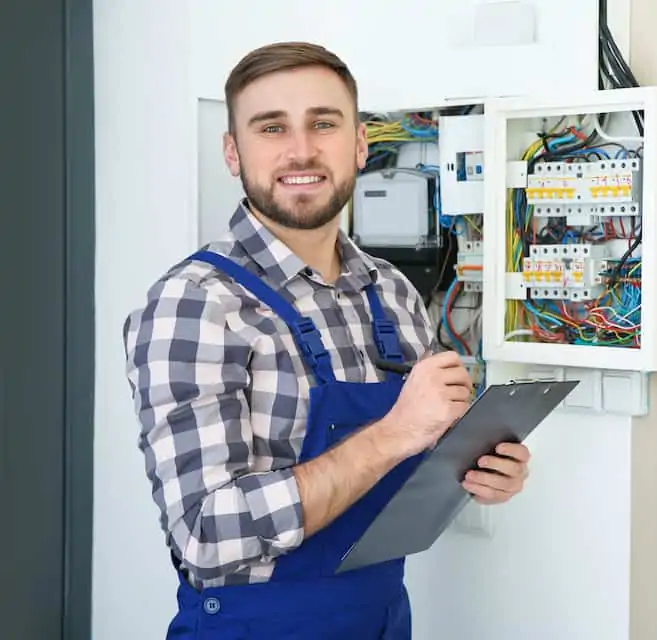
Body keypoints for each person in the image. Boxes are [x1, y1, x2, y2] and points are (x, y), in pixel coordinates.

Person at [123, 41, 532, 640]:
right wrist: (393, 432)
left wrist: (477, 469)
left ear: (360, 144)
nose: (302, 150)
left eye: (323, 123)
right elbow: (207, 538)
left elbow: (412, 467)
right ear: (233, 153)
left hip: (383, 618)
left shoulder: (389, 291)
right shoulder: (196, 304)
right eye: (271, 128)